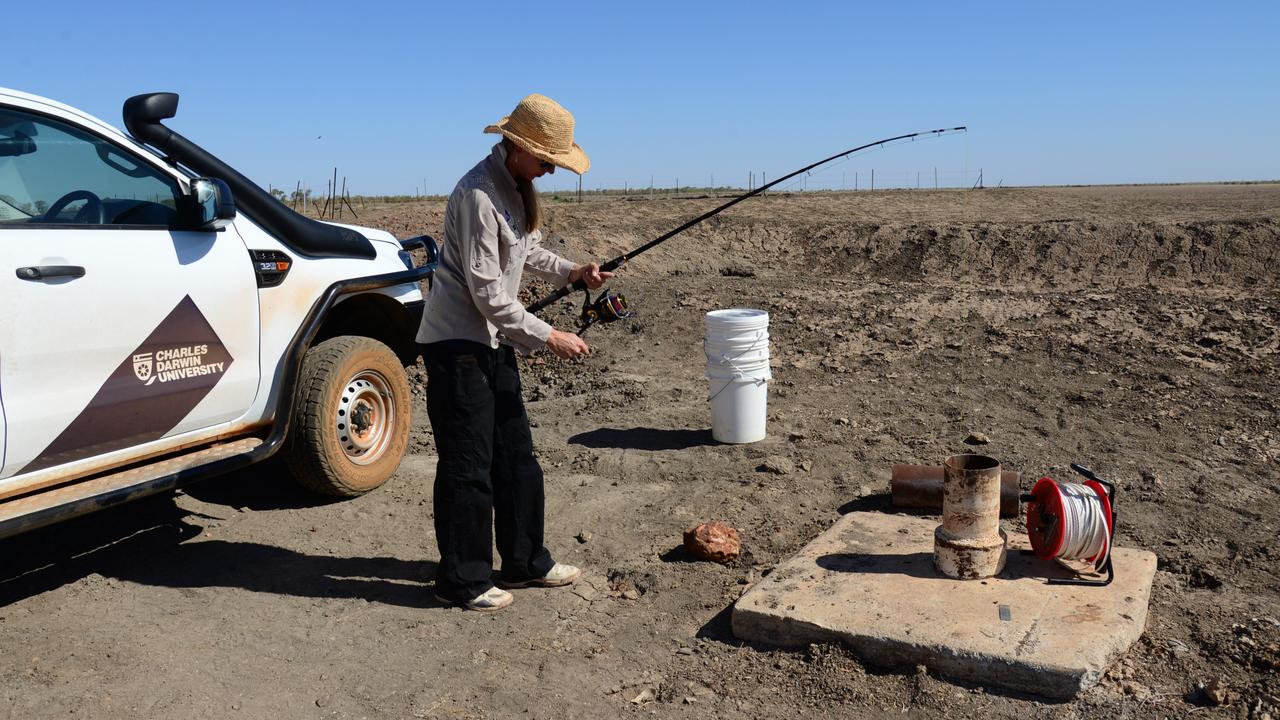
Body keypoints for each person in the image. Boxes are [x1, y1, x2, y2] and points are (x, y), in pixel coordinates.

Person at [416, 94, 612, 612]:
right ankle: (462, 578)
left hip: (493, 341)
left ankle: (525, 561)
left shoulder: (515, 189)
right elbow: (486, 292)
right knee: (469, 464)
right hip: (458, 345)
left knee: (516, 455)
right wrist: (549, 336)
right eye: (547, 160)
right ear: (519, 147)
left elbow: (527, 251)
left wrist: (575, 271)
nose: (549, 171)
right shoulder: (479, 195)